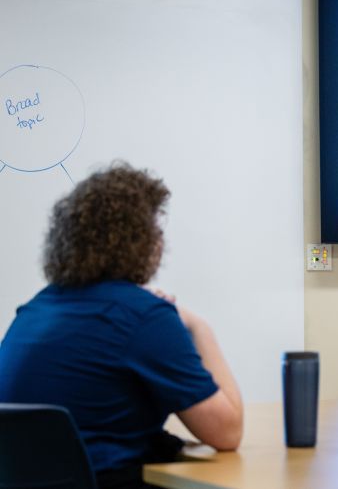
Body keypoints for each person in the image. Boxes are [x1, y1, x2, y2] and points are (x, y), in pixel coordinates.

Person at [0, 163, 243, 489]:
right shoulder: (143, 317)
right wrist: (198, 326)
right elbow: (228, 432)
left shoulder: (36, 309)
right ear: (141, 240)